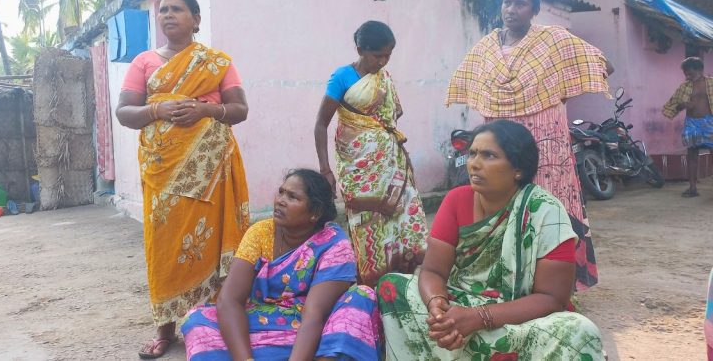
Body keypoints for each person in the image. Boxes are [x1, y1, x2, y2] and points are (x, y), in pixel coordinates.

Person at [377, 120, 604, 360]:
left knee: (580, 331)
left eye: (488, 155)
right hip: (459, 306)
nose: (474, 164)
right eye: (473, 153)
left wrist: (478, 318)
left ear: (518, 169)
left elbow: (552, 298)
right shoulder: (456, 201)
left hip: (517, 318)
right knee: (392, 286)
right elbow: (433, 270)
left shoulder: (545, 212)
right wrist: (438, 307)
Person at [446, 0, 613, 291]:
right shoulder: (486, 48)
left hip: (545, 143)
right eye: (507, 2)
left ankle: (557, 286)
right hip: (502, 141)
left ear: (535, 9)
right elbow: (468, 83)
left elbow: (602, 65)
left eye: (520, 3)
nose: (511, 9)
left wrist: (559, 92)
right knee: (500, 203)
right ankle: (503, 281)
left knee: (548, 207)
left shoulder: (553, 40)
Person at [115, 0, 250, 359]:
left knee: (210, 244)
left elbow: (239, 109)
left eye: (176, 9)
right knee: (166, 246)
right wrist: (159, 111)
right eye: (163, 11)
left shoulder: (217, 61)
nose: (167, 15)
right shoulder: (144, 61)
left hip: (211, 170)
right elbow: (125, 113)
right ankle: (165, 330)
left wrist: (205, 112)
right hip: (163, 171)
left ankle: (212, 323)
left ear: (196, 18)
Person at [181, 169, 382, 360]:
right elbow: (229, 300)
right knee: (197, 319)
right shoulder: (260, 233)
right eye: (281, 192)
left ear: (316, 212)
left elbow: (314, 314)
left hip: (314, 331)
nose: (280, 201)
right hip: (264, 322)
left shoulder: (334, 244)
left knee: (362, 296)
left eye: (292, 197)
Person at [314, 20, 427, 287]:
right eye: (378, 55)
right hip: (357, 165)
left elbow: (389, 120)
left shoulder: (383, 79)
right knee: (368, 225)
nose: (384, 62)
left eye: (388, 55)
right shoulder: (342, 77)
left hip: (391, 163)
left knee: (404, 218)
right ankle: (370, 284)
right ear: (360, 49)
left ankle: (402, 283)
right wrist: (325, 169)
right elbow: (321, 123)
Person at [662, 57, 713, 198]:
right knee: (692, 156)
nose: (686, 75)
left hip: (710, 123)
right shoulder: (684, 87)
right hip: (691, 124)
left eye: (689, 72)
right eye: (685, 72)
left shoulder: (711, 83)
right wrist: (683, 105)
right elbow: (674, 105)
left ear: (699, 70)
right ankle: (692, 188)